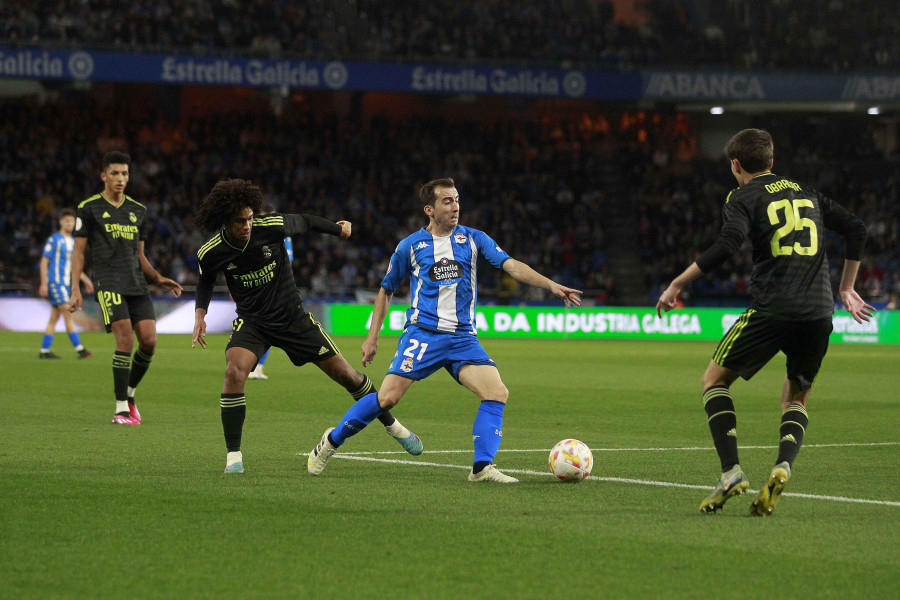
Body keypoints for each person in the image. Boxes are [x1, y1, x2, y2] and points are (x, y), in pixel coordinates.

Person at [656, 129, 874, 516]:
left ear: (736, 165)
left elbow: (727, 245)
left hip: (773, 307)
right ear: (771, 161)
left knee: (714, 380)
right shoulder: (809, 193)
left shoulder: (743, 196)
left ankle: (731, 473)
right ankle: (782, 465)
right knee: (796, 398)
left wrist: (676, 282)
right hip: (819, 311)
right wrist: (846, 288)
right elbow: (857, 227)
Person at [307, 177, 582, 482]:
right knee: (387, 399)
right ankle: (330, 442)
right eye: (447, 201)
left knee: (496, 392)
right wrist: (373, 337)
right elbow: (386, 291)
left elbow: (511, 265)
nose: (455, 207)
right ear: (430, 209)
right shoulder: (410, 246)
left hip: (463, 338)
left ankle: (482, 468)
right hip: (423, 334)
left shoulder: (474, 238)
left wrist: (551, 285)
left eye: (457, 200)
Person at [191, 179, 422, 474]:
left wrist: (339, 229)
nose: (248, 225)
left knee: (348, 376)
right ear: (225, 221)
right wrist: (200, 316)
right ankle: (233, 457)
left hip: (293, 319)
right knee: (234, 370)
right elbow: (205, 281)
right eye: (240, 221)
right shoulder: (211, 251)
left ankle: (394, 426)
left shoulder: (270, 226)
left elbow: (306, 221)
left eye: (250, 218)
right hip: (254, 322)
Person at [69, 151, 183, 425]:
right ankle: (120, 407)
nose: (121, 179)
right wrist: (75, 288)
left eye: (125, 174)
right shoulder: (88, 208)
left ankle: (129, 392)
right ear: (104, 176)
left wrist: (157, 278)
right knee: (125, 339)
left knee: (149, 341)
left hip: (136, 283)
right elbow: (79, 253)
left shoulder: (138, 211)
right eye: (115, 173)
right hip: (108, 283)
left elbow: (140, 255)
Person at [39, 208, 94, 359]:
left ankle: (44, 351)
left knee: (54, 318)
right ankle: (80, 349)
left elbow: (74, 267)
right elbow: (44, 261)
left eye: (72, 221)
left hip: (65, 284)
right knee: (68, 313)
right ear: (61, 222)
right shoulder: (54, 239)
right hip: (55, 282)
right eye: (68, 221)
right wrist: (44, 283)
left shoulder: (73, 242)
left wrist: (87, 281)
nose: (70, 224)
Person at [247, 204, 293, 380]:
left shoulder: (282, 235)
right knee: (260, 328)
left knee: (266, 328)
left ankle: (256, 366)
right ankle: (253, 365)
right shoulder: (254, 234)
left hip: (274, 289)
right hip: (257, 289)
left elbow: (288, 263)